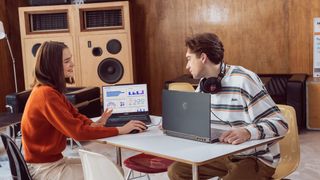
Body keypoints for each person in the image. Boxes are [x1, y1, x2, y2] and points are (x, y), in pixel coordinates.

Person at [167, 33, 289, 180]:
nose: (187, 65)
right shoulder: (204, 85)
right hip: (221, 154)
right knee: (177, 171)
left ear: (203, 58)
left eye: (189, 59)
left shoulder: (243, 80)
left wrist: (247, 132)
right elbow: (197, 121)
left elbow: (280, 123)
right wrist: (176, 124)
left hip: (254, 158)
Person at [21, 41, 147, 180]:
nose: (72, 64)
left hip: (53, 162)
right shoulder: (46, 94)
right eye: (67, 61)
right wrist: (120, 130)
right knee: (111, 174)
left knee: (113, 168)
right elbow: (77, 132)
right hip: (44, 169)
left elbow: (74, 115)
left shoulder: (50, 91)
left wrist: (94, 124)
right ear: (53, 66)